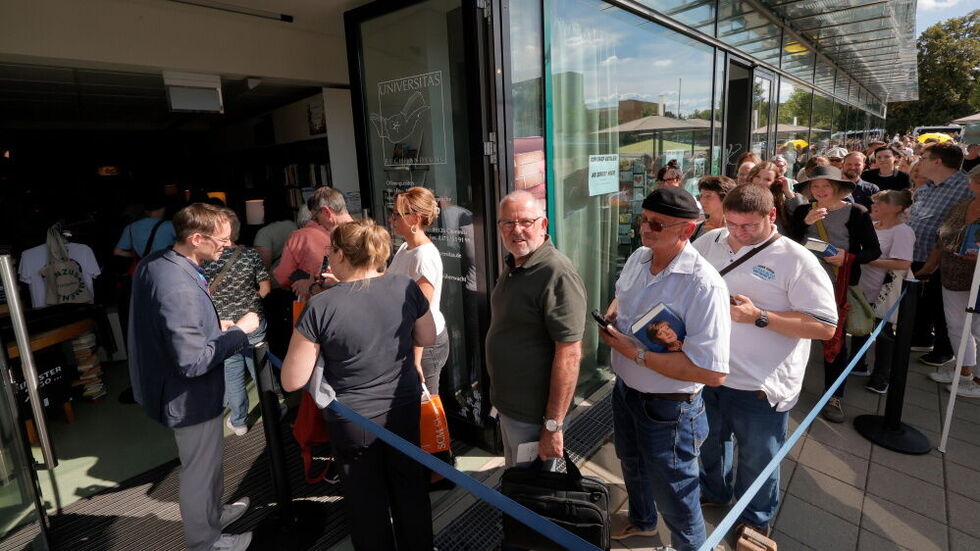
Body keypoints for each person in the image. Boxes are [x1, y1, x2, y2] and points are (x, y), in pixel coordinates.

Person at [281, 219, 436, 550]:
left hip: (354, 419)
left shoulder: (320, 306)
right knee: (409, 489)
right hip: (403, 404)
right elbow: (427, 336)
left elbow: (292, 380)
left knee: (367, 503)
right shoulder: (406, 287)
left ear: (338, 254)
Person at [694, 183, 837, 539]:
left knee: (759, 457)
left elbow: (825, 327)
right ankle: (714, 491)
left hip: (761, 384)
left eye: (749, 226)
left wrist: (760, 316)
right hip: (710, 372)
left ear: (771, 216)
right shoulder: (709, 241)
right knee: (710, 441)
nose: (739, 233)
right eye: (732, 224)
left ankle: (754, 521)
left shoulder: (796, 259)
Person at [598, 187, 729, 549]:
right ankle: (641, 521)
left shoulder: (703, 285)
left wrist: (636, 354)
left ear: (687, 231)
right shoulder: (641, 256)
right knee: (631, 464)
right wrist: (613, 313)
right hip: (627, 391)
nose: (645, 229)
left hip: (670, 407)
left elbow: (713, 373)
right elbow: (623, 296)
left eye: (657, 224)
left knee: (677, 493)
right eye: (643, 219)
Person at [128, 203, 258, 551]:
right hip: (189, 396)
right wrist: (239, 332)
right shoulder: (177, 284)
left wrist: (212, 328)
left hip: (178, 389)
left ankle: (213, 513)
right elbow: (193, 362)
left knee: (207, 464)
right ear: (196, 238)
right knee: (200, 470)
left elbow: (167, 330)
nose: (227, 246)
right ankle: (206, 541)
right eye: (221, 240)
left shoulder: (157, 264)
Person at [486, 190, 586, 470]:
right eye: (507, 223)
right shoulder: (516, 264)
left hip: (533, 417)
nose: (516, 230)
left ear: (543, 225)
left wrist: (553, 426)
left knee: (530, 497)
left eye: (525, 222)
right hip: (509, 408)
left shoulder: (556, 273)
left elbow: (569, 355)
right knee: (515, 485)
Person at [789, 166, 881, 423]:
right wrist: (804, 224)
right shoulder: (801, 211)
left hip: (837, 285)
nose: (819, 191)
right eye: (814, 187)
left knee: (835, 340)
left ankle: (834, 396)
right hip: (801, 283)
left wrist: (848, 258)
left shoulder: (857, 212)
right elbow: (789, 244)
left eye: (825, 186)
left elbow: (873, 251)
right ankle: (787, 385)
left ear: (838, 188)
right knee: (793, 333)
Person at [202, 209, 272, 436]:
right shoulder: (249, 255)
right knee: (261, 367)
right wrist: (251, 303)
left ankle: (239, 421)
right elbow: (265, 287)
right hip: (253, 321)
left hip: (225, 325)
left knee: (232, 371)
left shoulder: (204, 261)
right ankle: (275, 408)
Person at [916, 166, 980, 397]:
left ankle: (978, 380)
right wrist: (929, 267)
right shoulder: (962, 205)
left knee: (977, 329)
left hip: (978, 278)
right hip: (952, 274)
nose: (972, 184)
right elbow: (941, 239)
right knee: (956, 324)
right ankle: (963, 369)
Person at [907, 143, 972, 366]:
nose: (919, 161)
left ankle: (945, 352)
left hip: (945, 261)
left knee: (943, 309)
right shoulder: (927, 187)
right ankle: (922, 338)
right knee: (924, 303)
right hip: (917, 254)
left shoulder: (967, 188)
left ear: (937, 161)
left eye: (923, 157)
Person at [848, 190, 915, 393]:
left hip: (883, 290)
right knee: (860, 324)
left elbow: (903, 263)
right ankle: (857, 364)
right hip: (863, 285)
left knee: (883, 333)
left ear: (898, 208)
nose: (875, 203)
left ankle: (881, 376)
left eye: (883, 201)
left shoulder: (902, 231)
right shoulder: (872, 225)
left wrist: (866, 259)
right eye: (876, 200)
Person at [388, 187, 449, 395]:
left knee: (427, 409)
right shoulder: (405, 248)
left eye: (397, 214)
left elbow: (421, 313)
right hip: (411, 340)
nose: (391, 219)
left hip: (425, 346)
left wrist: (415, 359)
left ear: (414, 218)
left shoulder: (424, 257)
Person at [273, 187, 353, 300]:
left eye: (316, 218)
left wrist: (311, 286)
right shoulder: (351, 234)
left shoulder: (351, 237)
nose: (318, 224)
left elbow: (352, 282)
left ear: (326, 212)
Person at [253, 194, 298, 271]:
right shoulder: (294, 226)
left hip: (277, 278)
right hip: (295, 274)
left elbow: (263, 267)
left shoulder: (264, 233)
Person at [692, 175, 737, 241]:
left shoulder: (738, 230)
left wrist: (721, 233)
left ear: (725, 197)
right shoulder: (695, 229)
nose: (702, 201)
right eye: (701, 196)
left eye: (708, 196)